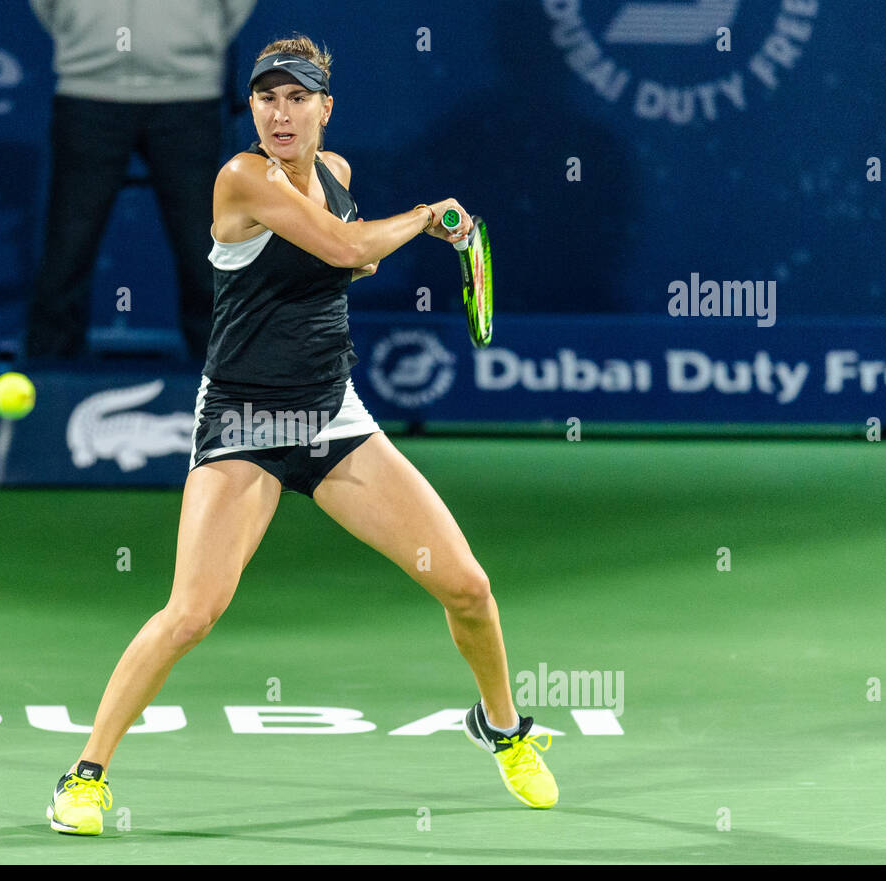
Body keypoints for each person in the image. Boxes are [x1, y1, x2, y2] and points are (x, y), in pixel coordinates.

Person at [47, 34, 557, 835]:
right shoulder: (240, 176)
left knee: (468, 585)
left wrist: (402, 239)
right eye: (265, 98)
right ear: (250, 108)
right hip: (243, 422)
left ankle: (502, 726)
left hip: (331, 415)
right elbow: (352, 246)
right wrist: (429, 217)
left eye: (296, 98)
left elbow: (349, 266)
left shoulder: (338, 175)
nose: (279, 113)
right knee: (191, 613)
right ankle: (83, 777)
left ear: (325, 107)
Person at [25, 0, 259, 362]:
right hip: (88, 90)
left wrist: (203, 36)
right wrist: (79, 29)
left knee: (206, 250)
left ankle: (228, 386)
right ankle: (49, 388)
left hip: (189, 94)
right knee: (67, 250)